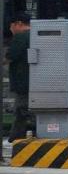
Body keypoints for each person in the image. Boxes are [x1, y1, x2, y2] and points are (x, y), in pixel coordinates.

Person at [5, 12, 32, 148]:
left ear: (19, 24)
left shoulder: (20, 37)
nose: (11, 30)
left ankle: (15, 138)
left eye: (11, 26)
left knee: (21, 110)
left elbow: (9, 56)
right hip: (36, 80)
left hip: (22, 80)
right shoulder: (36, 35)